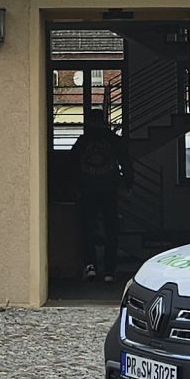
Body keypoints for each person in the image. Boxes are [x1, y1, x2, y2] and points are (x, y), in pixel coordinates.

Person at [73, 108, 129, 280]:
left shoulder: (83, 141)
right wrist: (127, 184)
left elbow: (72, 163)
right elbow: (126, 161)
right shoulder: (113, 140)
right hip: (109, 189)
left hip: (87, 190)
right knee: (111, 231)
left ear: (89, 122)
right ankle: (109, 271)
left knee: (88, 229)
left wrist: (74, 186)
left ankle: (90, 266)